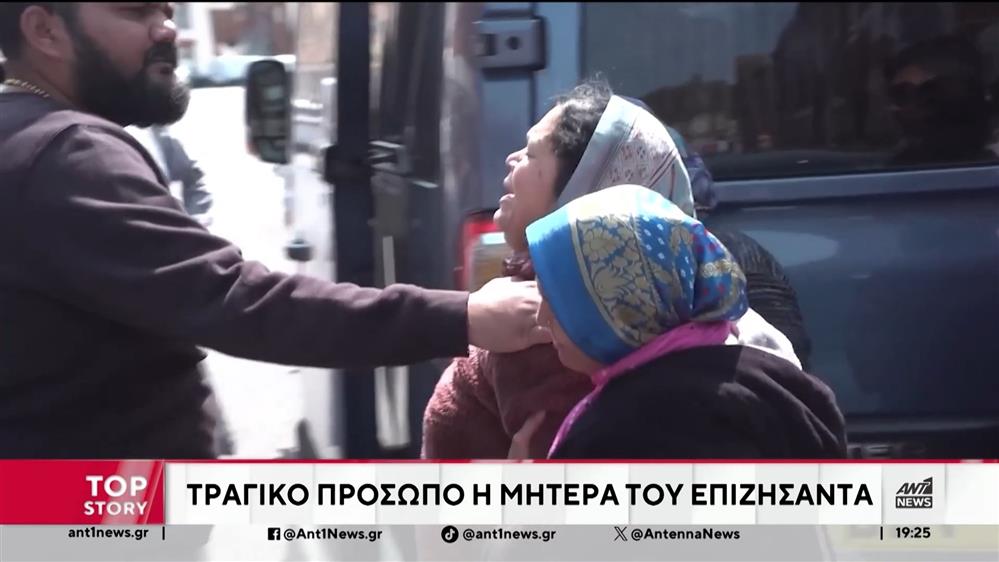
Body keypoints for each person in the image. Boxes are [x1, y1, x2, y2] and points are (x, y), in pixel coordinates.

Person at [0, 2, 547, 458]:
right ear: (45, 30)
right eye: (135, 11)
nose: (166, 29)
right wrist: (466, 316)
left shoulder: (26, 134)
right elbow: (238, 301)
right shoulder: (65, 152)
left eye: (166, 11)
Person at [422, 81, 801, 459]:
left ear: (586, 198)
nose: (511, 159)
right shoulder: (672, 311)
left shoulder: (575, 332)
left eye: (532, 153)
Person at [526, 185, 847, 459]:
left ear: (619, 301)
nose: (542, 318)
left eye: (556, 300)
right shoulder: (766, 371)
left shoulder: (631, 431)